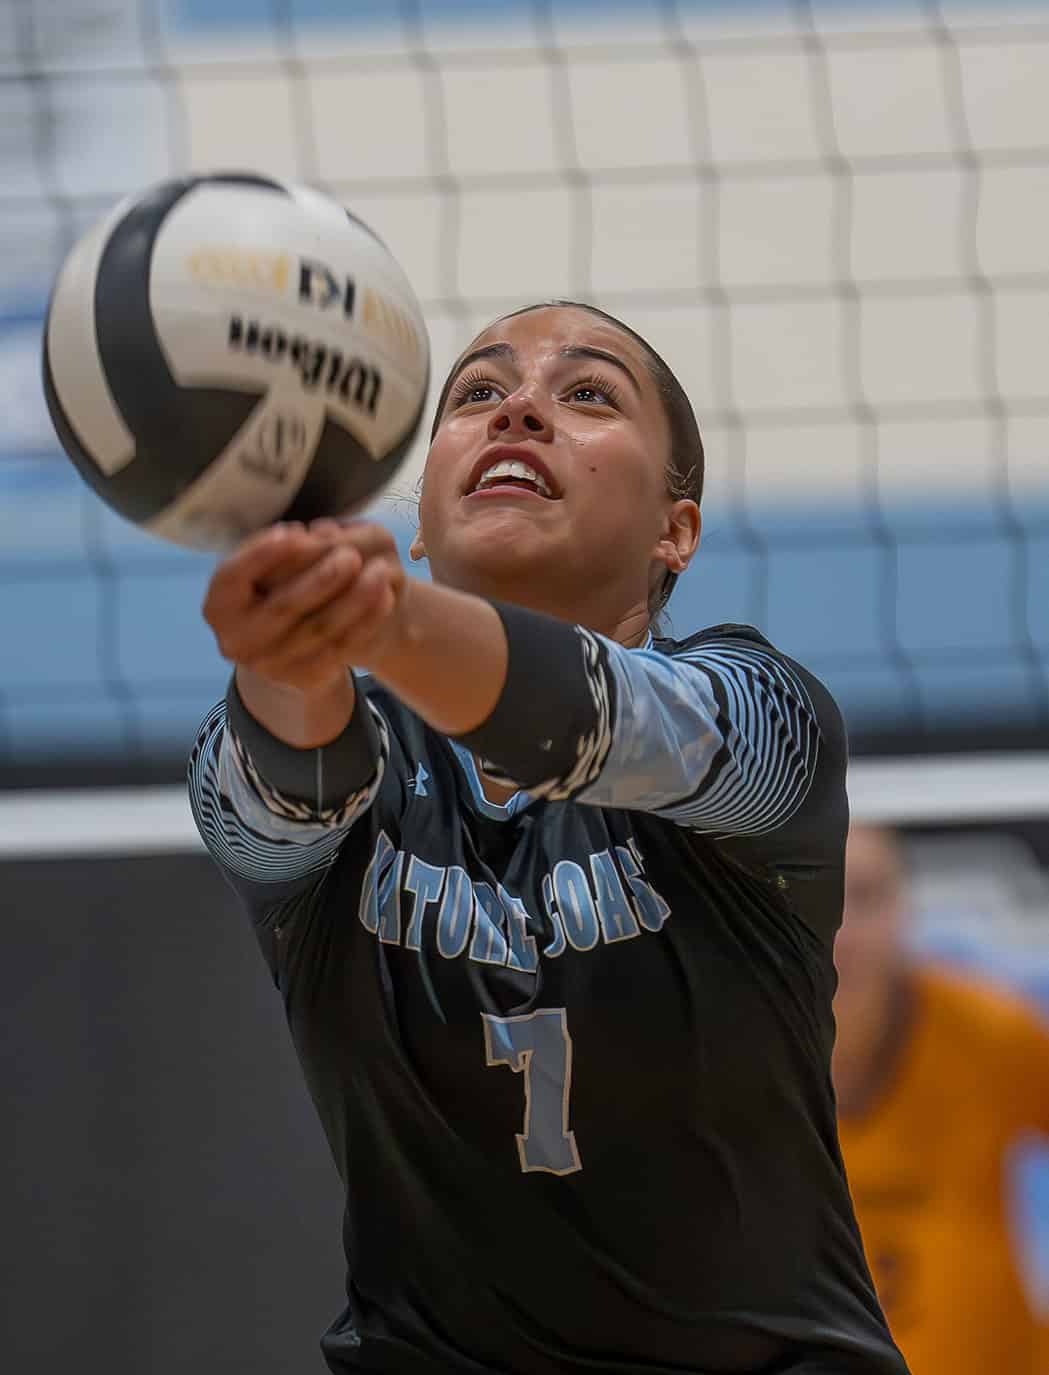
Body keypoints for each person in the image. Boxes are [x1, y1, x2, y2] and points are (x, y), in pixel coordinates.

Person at [189, 300, 907, 1375]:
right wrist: (293, 637)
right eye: (476, 392)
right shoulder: (337, 761)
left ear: (676, 530)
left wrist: (371, 617)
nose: (518, 406)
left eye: (586, 394)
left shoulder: (765, 716)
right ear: (420, 521)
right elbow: (278, 791)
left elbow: (599, 715)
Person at [834, 822, 1049, 1375]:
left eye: (864, 896)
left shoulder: (992, 1035)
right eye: (818, 894)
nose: (843, 930)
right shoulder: (729, 1063)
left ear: (904, 910)